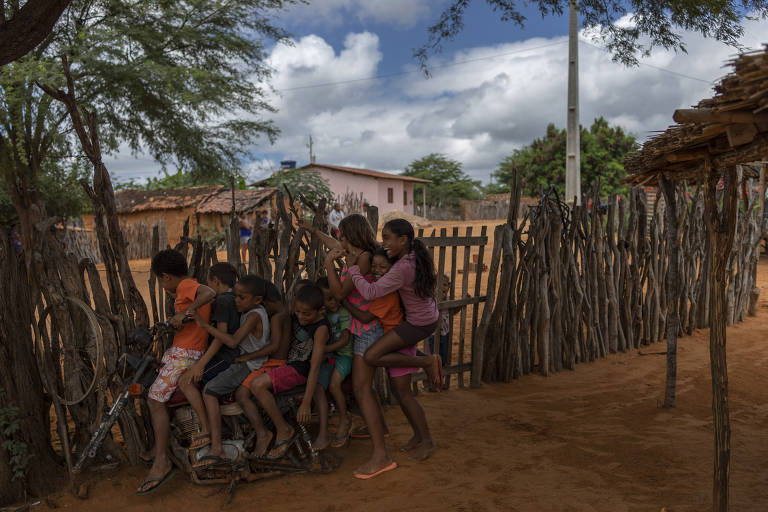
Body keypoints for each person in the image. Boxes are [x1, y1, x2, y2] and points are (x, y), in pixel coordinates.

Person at [338, 218, 442, 476]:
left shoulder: (403, 267)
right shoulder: (407, 256)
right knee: (401, 391)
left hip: (416, 324)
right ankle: (421, 437)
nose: (384, 243)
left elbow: (371, 293)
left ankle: (426, 362)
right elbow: (368, 251)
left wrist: (353, 270)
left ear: (403, 240)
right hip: (421, 318)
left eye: (387, 238)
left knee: (374, 356)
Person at [138, 249, 215, 495]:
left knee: (154, 400)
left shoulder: (188, 286)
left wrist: (184, 312)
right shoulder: (181, 288)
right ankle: (164, 446)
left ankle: (162, 460)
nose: (161, 286)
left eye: (161, 280)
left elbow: (208, 292)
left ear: (166, 276)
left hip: (186, 353)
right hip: (182, 350)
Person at [322, 214, 391, 479]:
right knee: (365, 386)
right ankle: (380, 429)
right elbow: (331, 243)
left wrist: (329, 264)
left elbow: (339, 294)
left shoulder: (362, 258)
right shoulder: (358, 254)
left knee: (362, 389)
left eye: (342, 234)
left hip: (367, 330)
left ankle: (381, 455)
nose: (339, 239)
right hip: (362, 328)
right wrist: (311, 230)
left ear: (349, 235)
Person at [193, 275, 276, 466]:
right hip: (248, 361)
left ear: (257, 300)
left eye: (242, 298)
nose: (236, 301)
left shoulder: (254, 315)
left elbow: (232, 341)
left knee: (209, 391)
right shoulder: (252, 310)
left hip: (248, 364)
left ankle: (217, 448)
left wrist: (204, 325)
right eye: (236, 296)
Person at [244, 284, 330, 460]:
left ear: (321, 310)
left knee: (257, 385)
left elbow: (314, 367)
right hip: (290, 365)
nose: (300, 316)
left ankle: (283, 430)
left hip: (300, 370)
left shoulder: (321, 328)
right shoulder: (297, 313)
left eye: (306, 314)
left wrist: (306, 402)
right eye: (298, 312)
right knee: (251, 385)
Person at [177, 263, 241, 452]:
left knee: (186, 382)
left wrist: (201, 365)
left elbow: (220, 338)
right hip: (227, 354)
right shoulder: (232, 299)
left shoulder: (222, 301)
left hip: (226, 356)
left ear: (216, 281)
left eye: (209, 282)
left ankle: (208, 433)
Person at [314, 276, 353, 449]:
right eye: (328, 299)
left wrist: (325, 350)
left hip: (345, 355)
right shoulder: (323, 315)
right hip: (332, 356)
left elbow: (345, 340)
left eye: (334, 297)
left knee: (334, 385)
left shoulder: (343, 313)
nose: (333, 302)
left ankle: (344, 419)